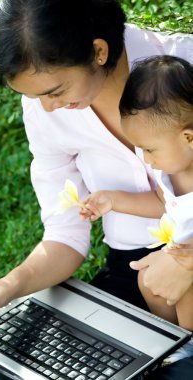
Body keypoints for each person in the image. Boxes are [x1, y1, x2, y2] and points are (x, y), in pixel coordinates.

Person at [0, 1, 193, 378]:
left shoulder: (184, 64)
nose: (48, 107)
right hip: (134, 270)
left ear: (99, 51)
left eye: (54, 91)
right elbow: (65, 234)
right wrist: (10, 286)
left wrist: (186, 262)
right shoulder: (45, 112)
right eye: (33, 97)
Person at [80, 55, 193, 333]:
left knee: (187, 291)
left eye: (150, 150)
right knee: (146, 277)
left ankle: (187, 346)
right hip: (178, 258)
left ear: (189, 138)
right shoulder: (170, 172)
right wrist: (113, 200)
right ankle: (171, 338)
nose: (147, 159)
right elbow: (161, 202)